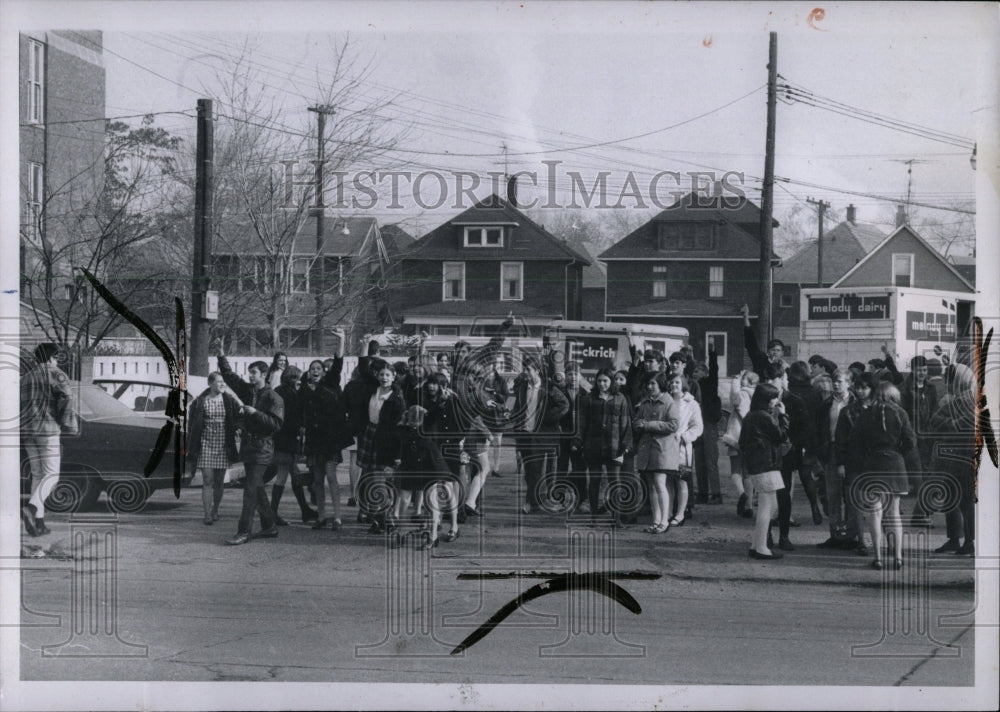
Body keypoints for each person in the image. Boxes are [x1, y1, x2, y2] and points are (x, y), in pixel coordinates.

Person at [851, 377, 919, 570]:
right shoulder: (901, 413)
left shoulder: (865, 415)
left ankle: (878, 557)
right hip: (895, 463)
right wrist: (898, 451)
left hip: (872, 464)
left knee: (874, 512)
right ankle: (897, 556)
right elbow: (911, 442)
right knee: (894, 513)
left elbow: (856, 442)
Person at [217, 356, 284, 545]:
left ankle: (243, 531)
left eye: (253, 373)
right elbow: (230, 377)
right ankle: (269, 526)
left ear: (264, 374)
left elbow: (277, 424)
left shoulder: (274, 397)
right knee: (257, 488)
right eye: (249, 373)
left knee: (250, 490)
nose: (250, 376)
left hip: (263, 449)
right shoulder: (249, 392)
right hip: (249, 448)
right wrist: (222, 356)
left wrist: (256, 413)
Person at [762, 361, 818, 551]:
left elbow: (805, 428)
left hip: (786, 454)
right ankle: (766, 534)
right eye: (767, 378)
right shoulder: (761, 399)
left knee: (783, 496)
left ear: (782, 379)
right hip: (766, 455)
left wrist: (794, 445)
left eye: (774, 379)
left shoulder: (794, 400)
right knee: (766, 496)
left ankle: (784, 535)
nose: (770, 382)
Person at [20, 343, 74, 538]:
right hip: (48, 429)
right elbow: (66, 397)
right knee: (52, 476)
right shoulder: (56, 374)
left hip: (27, 432)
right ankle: (32, 508)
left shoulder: (24, 378)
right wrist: (63, 421)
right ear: (53, 357)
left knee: (38, 475)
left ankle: (39, 525)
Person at [573, 367, 633, 527]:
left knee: (615, 482)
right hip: (593, 446)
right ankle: (593, 517)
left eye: (605, 381)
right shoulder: (589, 399)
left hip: (615, 446)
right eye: (599, 381)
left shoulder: (620, 398)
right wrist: (578, 441)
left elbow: (625, 424)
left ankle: (616, 518)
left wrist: (626, 443)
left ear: (611, 381)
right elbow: (581, 422)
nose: (602, 384)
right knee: (594, 481)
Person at [511, 356, 570, 514]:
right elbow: (518, 406)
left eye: (528, 369)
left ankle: (529, 503)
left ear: (537, 370)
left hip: (540, 436)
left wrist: (548, 417)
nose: (525, 373)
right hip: (524, 434)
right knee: (529, 470)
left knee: (537, 470)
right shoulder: (523, 386)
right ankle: (536, 501)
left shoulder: (548, 387)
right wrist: (512, 418)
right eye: (524, 369)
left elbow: (564, 404)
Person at [301, 356, 354, 532]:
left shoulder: (329, 385)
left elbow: (337, 365)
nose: (315, 371)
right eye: (312, 368)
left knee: (331, 477)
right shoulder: (304, 389)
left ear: (323, 372)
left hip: (330, 440)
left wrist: (341, 342)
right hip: (314, 440)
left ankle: (337, 517)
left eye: (318, 368)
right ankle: (321, 516)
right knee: (317, 480)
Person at [928, 364, 976, 556]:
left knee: (966, 499)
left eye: (950, 380)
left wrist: (951, 423)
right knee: (953, 498)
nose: (947, 384)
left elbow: (938, 420)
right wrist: (952, 423)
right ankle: (956, 539)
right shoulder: (954, 400)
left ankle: (969, 541)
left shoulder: (969, 399)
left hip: (966, 456)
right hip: (952, 457)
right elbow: (934, 420)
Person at [394, 405, 458, 548]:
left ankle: (433, 536)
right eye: (412, 419)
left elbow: (436, 414)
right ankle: (401, 532)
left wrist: (441, 403)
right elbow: (398, 441)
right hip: (411, 465)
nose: (415, 422)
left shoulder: (428, 426)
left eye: (417, 419)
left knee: (431, 500)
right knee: (404, 500)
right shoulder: (402, 430)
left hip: (430, 464)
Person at [739, 382, 790, 560]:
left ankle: (756, 545)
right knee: (767, 508)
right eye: (773, 398)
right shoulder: (764, 417)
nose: (775, 401)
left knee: (766, 506)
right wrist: (783, 416)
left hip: (757, 465)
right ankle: (761, 548)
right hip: (767, 464)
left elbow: (742, 442)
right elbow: (781, 436)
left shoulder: (750, 416)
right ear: (765, 399)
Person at [356, 357, 406, 534]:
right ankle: (378, 519)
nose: (384, 378)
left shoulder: (397, 400)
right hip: (370, 435)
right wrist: (364, 347)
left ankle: (388, 519)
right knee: (369, 480)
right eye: (382, 374)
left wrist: (397, 455)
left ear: (394, 377)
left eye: (388, 375)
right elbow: (363, 369)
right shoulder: (373, 390)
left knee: (379, 483)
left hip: (385, 442)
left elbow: (399, 430)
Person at [266, 366, 319, 525]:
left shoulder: (277, 391)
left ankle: (303, 510)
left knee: (290, 473)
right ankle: (274, 513)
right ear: (293, 378)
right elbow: (295, 418)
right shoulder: (291, 395)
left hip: (279, 438)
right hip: (288, 439)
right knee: (286, 474)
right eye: (298, 379)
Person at [187, 372, 242, 526]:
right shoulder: (200, 402)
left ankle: (215, 509)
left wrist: (237, 428)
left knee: (219, 481)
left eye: (223, 382)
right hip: (205, 443)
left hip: (224, 444)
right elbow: (192, 425)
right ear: (210, 384)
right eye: (219, 382)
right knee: (207, 480)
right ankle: (207, 514)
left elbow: (239, 417)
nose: (222, 384)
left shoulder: (229, 400)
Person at [632, 372, 679, 533]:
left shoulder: (668, 402)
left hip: (662, 450)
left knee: (659, 483)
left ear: (661, 384)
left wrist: (648, 425)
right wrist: (638, 423)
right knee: (651, 486)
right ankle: (656, 520)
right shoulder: (645, 402)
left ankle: (664, 520)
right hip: (647, 449)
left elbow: (673, 425)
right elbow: (636, 420)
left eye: (653, 383)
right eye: (648, 384)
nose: (649, 387)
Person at [665, 373, 703, 526]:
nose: (674, 385)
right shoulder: (665, 400)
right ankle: (667, 513)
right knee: (667, 480)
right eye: (672, 382)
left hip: (681, 446)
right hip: (666, 445)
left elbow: (697, 426)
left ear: (683, 385)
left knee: (681, 480)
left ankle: (680, 514)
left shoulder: (691, 404)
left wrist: (684, 437)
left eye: (677, 382)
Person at [723, 370, 759, 519]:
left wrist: (735, 382)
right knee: (748, 474)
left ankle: (742, 494)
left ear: (747, 381)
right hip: (751, 438)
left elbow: (739, 408)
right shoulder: (756, 395)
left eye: (743, 378)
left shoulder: (742, 394)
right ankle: (749, 506)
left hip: (737, 434)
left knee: (735, 471)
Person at [557, 362, 589, 513]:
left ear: (580, 376)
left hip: (580, 437)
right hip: (562, 436)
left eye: (576, 374)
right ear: (565, 376)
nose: (573, 377)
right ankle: (560, 500)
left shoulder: (586, 393)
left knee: (580, 469)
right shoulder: (559, 392)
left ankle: (582, 500)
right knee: (561, 468)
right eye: (570, 374)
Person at [694, 343, 722, 504]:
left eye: (697, 371)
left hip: (709, 425)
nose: (694, 374)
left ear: (705, 372)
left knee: (711, 460)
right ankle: (702, 493)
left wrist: (713, 354)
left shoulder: (710, 384)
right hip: (697, 426)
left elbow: (715, 370)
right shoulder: (692, 386)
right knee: (699, 461)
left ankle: (716, 493)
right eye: (693, 371)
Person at [741, 304, 788, 380]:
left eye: (778, 350)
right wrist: (746, 318)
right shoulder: (760, 359)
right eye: (773, 350)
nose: (775, 352)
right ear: (768, 351)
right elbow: (751, 342)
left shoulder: (784, 366)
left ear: (782, 353)